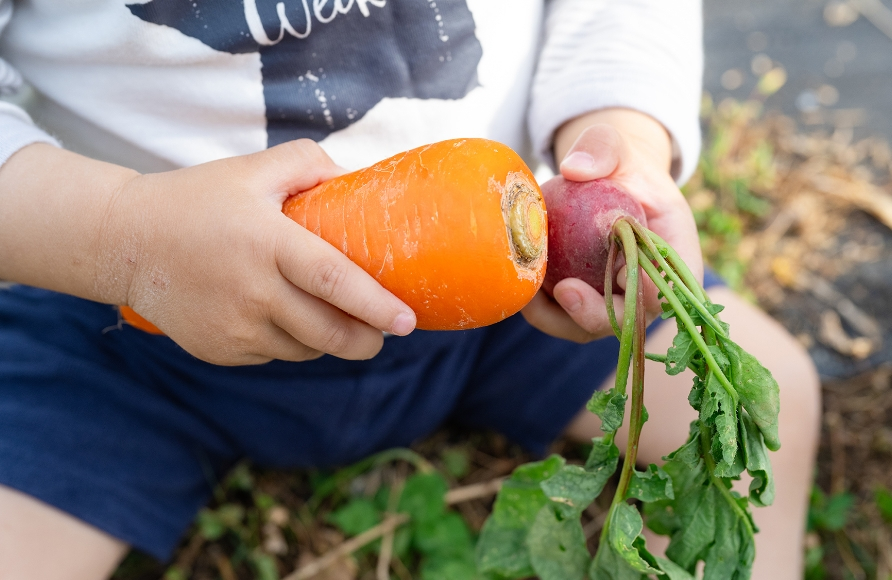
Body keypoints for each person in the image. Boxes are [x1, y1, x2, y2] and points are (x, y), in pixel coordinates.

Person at [0, 1, 819, 578]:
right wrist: (124, 237)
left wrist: (620, 137)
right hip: (123, 333)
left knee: (768, 393)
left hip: (505, 303)